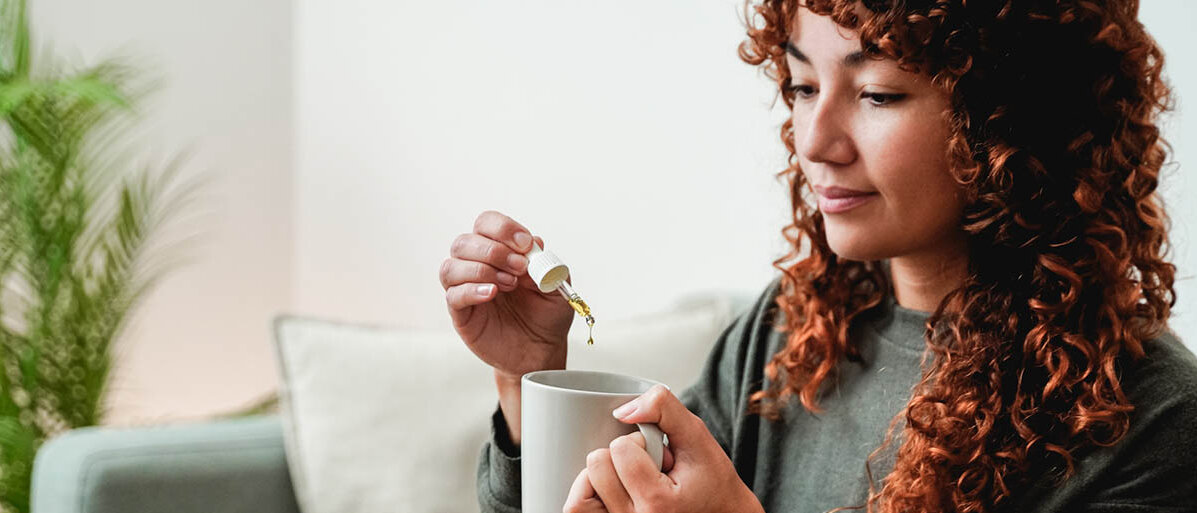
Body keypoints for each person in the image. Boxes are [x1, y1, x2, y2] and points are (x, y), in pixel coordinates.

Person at [440, 1, 1197, 512]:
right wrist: (528, 378)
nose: (812, 140)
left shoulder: (1146, 420)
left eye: (877, 94)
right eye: (801, 85)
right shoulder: (784, 335)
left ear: (1015, 115)